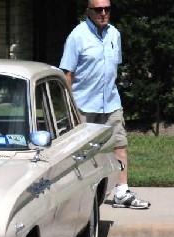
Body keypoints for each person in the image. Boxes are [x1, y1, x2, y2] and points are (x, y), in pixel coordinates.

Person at [59, 0, 150, 209]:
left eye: (106, 9)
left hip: (110, 101)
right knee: (77, 152)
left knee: (120, 145)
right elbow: (67, 74)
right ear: (88, 11)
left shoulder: (114, 34)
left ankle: (122, 192)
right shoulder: (77, 36)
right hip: (82, 105)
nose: (103, 13)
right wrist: (68, 107)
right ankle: (74, 198)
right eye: (98, 9)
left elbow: (112, 67)